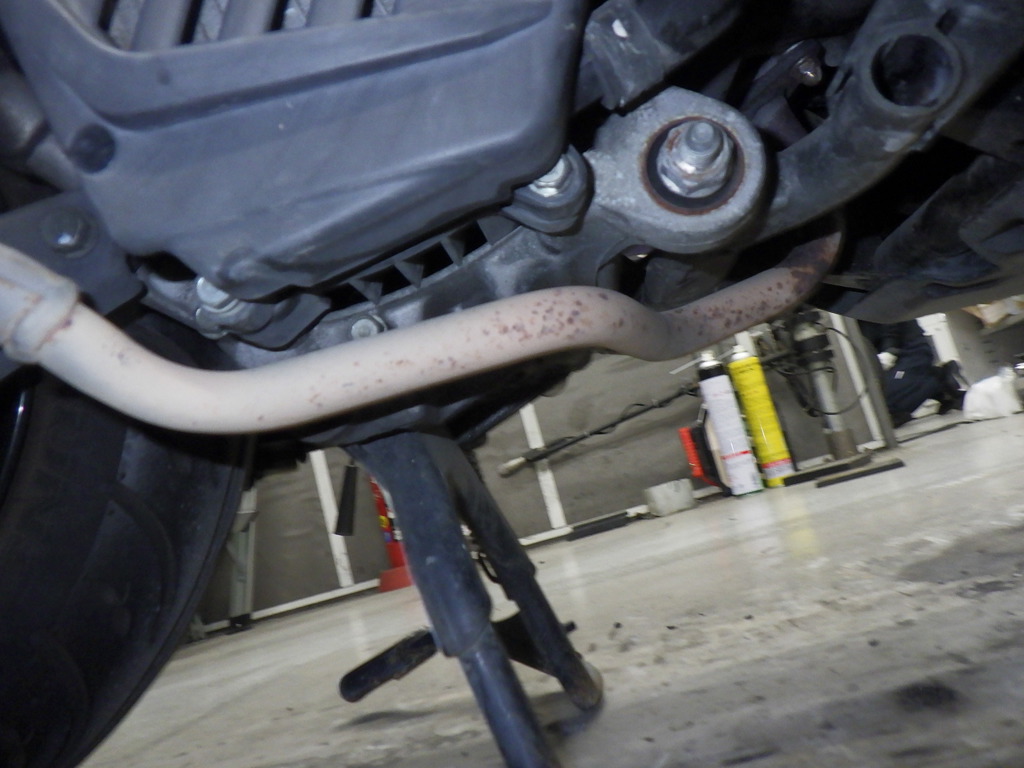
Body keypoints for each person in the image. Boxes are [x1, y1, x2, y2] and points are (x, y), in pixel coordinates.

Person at [860, 319, 966, 427]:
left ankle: (938, 378)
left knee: (884, 406)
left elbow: (890, 320)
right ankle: (937, 390)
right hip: (883, 360)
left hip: (909, 350)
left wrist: (889, 349)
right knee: (872, 405)